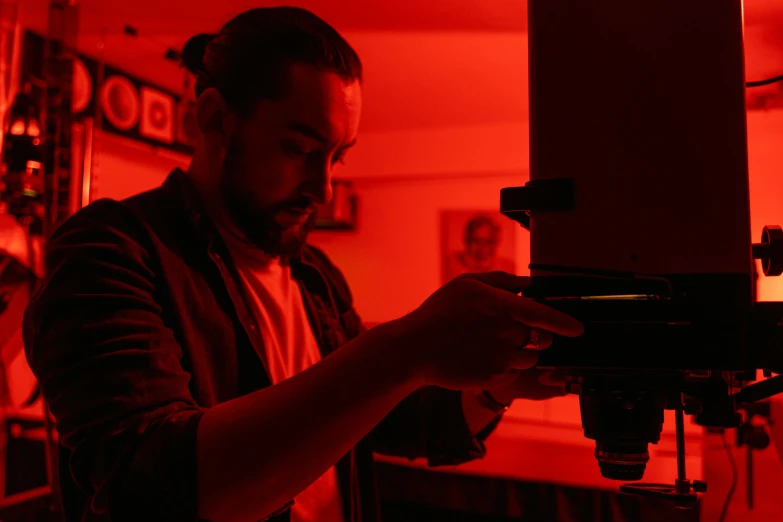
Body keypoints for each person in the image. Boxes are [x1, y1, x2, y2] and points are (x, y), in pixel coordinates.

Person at [22, 7, 583, 522]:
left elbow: (389, 420)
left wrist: (499, 385)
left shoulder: (314, 275)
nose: (324, 187)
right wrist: (404, 348)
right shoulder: (109, 253)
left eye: (338, 156)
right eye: (299, 150)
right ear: (216, 119)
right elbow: (158, 487)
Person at [445, 214, 516, 281]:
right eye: (476, 241)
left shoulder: (509, 269)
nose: (482, 248)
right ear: (466, 240)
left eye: (488, 241)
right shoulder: (449, 266)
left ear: (496, 242)